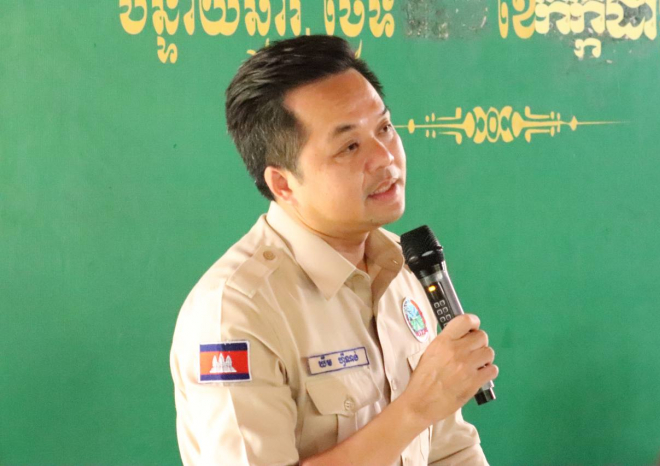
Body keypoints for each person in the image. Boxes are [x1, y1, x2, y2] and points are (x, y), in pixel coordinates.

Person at [170, 35, 498, 466]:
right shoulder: (235, 312)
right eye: (349, 146)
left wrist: (429, 408)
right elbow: (422, 411)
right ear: (283, 183)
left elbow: (449, 449)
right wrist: (415, 410)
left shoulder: (403, 266)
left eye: (384, 128)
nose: (385, 158)